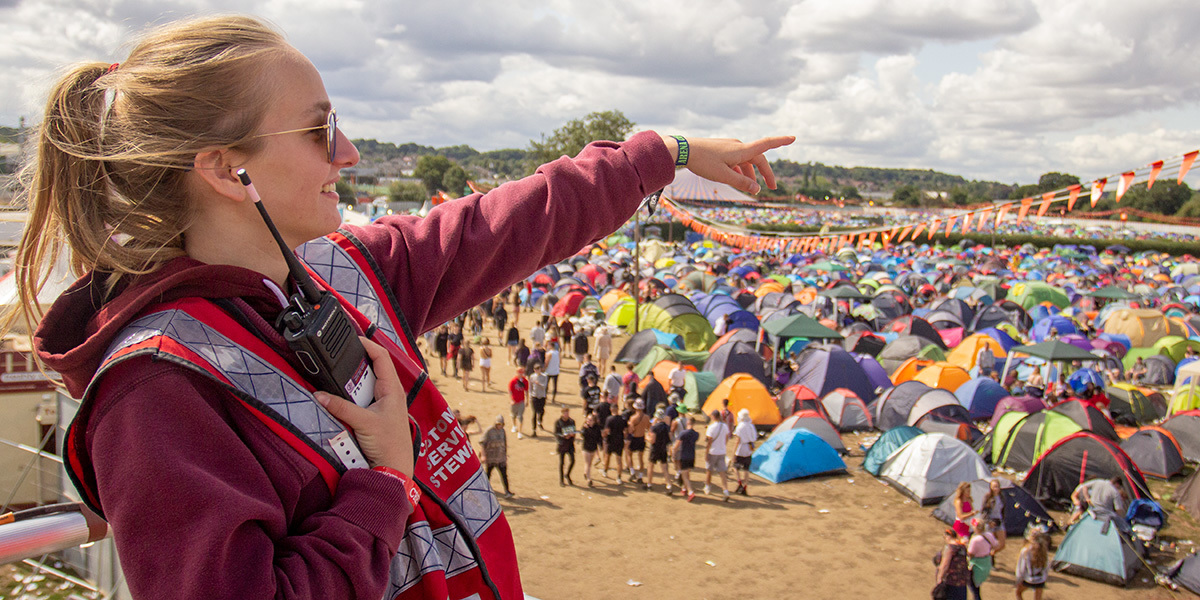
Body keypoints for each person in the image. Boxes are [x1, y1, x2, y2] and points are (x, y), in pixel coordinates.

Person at [16, 16, 790, 598]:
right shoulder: (156, 391)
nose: (348, 152)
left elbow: (513, 220)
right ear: (224, 170)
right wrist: (386, 481)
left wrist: (667, 155)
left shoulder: (344, 273)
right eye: (319, 129)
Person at [935, 528, 972, 600]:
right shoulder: (962, 547)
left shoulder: (949, 548)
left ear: (947, 536)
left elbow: (945, 565)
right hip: (962, 581)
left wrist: (939, 579)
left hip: (950, 581)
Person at [482, 416, 513, 498]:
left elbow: (504, 443)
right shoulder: (489, 431)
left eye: (501, 424)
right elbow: (482, 442)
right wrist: (483, 455)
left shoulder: (503, 431)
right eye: (498, 424)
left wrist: (505, 455)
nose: (500, 426)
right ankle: (484, 491)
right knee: (488, 474)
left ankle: (507, 491)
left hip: (500, 457)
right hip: (491, 457)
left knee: (504, 475)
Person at [966, 519, 997, 600]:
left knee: (974, 589)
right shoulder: (989, 535)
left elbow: (970, 553)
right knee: (977, 587)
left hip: (976, 565)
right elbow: (994, 545)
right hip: (986, 563)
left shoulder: (975, 540)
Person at [704, 410, 732, 501]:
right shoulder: (724, 426)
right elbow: (727, 437)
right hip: (721, 451)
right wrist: (723, 445)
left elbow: (709, 442)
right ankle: (725, 490)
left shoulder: (711, 427)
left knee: (709, 470)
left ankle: (708, 487)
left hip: (713, 451)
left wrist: (706, 452)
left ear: (713, 416)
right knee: (722, 472)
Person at [1014, 529, 1049, 600]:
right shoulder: (1044, 551)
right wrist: (1044, 578)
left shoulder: (1025, 551)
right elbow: (1047, 566)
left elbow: (1022, 567)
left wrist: (1019, 579)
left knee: (1018, 593)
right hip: (1040, 580)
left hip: (1028, 579)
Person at [673, 416, 699, 502]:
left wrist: (673, 455)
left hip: (684, 455)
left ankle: (690, 491)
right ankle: (684, 489)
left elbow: (676, 446)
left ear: (688, 422)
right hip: (692, 456)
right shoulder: (696, 434)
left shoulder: (683, 433)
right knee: (687, 473)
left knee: (684, 475)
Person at [732, 409, 756, 496]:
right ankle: (745, 486)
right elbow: (754, 437)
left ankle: (739, 483)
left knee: (735, 467)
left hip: (741, 448)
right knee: (746, 469)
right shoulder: (751, 426)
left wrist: (733, 453)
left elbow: (737, 440)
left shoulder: (740, 426)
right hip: (748, 448)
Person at [646, 409, 671, 494]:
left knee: (651, 466)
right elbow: (669, 438)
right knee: (664, 468)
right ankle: (669, 485)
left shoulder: (654, 427)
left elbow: (652, 440)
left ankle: (649, 484)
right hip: (663, 448)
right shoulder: (667, 427)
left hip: (655, 449)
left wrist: (647, 438)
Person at [626, 399, 650, 485]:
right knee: (641, 458)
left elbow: (631, 430)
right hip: (641, 438)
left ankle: (632, 472)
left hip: (634, 438)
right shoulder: (646, 417)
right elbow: (648, 428)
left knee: (629, 454)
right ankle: (640, 476)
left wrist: (629, 425)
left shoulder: (633, 418)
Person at [980, 479, 1006, 554]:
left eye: (997, 487)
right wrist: (988, 521)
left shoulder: (1002, 497)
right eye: (994, 487)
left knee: (1002, 544)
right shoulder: (987, 497)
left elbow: (1003, 510)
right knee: (990, 543)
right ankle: (990, 559)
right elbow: (983, 511)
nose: (996, 489)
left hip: (999, 521)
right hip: (990, 521)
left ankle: (991, 554)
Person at [603, 406, 627, 483]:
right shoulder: (622, 419)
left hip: (610, 440)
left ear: (611, 409)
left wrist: (604, 436)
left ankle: (605, 471)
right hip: (619, 440)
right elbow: (626, 430)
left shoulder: (609, 419)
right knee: (619, 459)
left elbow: (607, 430)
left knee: (607, 457)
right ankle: (619, 477)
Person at [553, 407, 576, 487]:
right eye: (565, 413)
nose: (566, 414)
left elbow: (574, 431)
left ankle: (568, 474)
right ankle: (561, 480)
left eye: (567, 413)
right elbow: (556, 433)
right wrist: (563, 436)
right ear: (562, 413)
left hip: (569, 444)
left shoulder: (572, 421)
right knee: (562, 463)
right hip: (562, 444)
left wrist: (572, 435)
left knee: (573, 460)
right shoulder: (558, 422)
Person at [580, 412, 603, 488]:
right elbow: (582, 435)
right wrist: (585, 429)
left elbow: (599, 438)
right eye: (588, 419)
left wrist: (600, 445)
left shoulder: (597, 428)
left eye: (590, 420)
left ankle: (585, 473)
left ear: (594, 421)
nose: (588, 421)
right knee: (588, 462)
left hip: (593, 447)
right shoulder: (585, 427)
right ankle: (589, 479)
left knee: (589, 463)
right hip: (586, 447)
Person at [508, 367, 529, 439]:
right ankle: (514, 426)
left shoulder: (525, 381)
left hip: (521, 401)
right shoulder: (513, 381)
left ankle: (520, 432)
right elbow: (510, 391)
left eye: (522, 373)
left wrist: (527, 400)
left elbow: (526, 391)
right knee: (513, 415)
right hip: (514, 401)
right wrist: (511, 400)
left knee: (520, 416)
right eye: (519, 373)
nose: (521, 374)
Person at [529, 363, 549, 435]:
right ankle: (534, 430)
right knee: (534, 413)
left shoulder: (544, 376)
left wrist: (539, 383)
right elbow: (530, 387)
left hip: (542, 396)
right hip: (535, 396)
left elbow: (544, 386)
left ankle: (540, 420)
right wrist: (530, 395)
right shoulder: (532, 376)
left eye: (538, 369)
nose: (537, 371)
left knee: (541, 411)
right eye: (536, 369)